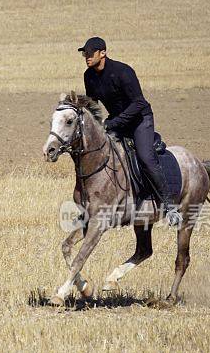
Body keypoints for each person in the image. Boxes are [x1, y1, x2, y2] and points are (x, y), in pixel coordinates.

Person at [78, 36, 182, 227]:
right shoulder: (89, 76)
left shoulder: (123, 72)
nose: (86, 57)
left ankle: (169, 205)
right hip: (116, 122)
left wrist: (114, 122)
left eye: (90, 53)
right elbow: (92, 104)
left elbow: (139, 103)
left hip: (140, 120)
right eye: (84, 53)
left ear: (103, 53)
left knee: (145, 158)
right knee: (96, 153)